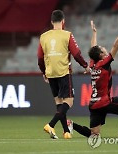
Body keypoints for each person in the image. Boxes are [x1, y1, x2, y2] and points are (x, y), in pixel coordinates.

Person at [67, 15, 118, 138]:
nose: (104, 47)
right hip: (105, 102)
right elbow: (116, 45)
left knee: (94, 134)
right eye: (102, 48)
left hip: (94, 105)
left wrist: (94, 33)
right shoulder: (104, 63)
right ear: (101, 54)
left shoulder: (93, 64)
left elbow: (93, 48)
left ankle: (71, 124)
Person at [37, 10, 89, 139]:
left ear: (51, 22)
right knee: (69, 101)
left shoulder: (43, 36)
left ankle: (66, 132)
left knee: (59, 103)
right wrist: (85, 66)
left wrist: (44, 72)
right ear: (63, 21)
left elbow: (39, 58)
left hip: (50, 72)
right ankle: (51, 124)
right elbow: (76, 53)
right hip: (63, 71)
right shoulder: (67, 35)